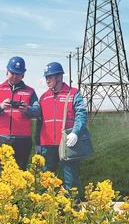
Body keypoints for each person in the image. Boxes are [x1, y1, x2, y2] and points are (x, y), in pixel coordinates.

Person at [33, 61, 88, 193]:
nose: (47, 80)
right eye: (46, 77)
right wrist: (38, 143)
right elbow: (40, 122)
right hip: (47, 145)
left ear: (59, 77)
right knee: (46, 180)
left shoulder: (73, 94)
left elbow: (81, 114)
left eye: (50, 77)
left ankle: (72, 203)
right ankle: (47, 204)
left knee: (71, 178)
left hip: (67, 143)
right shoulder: (43, 97)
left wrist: (75, 133)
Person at [0, 56, 39, 169]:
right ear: (7, 71)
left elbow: (37, 111)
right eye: (12, 73)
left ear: (23, 75)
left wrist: (27, 109)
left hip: (22, 140)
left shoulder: (30, 91)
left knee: (20, 172)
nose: (14, 76)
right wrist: (0, 106)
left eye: (18, 74)